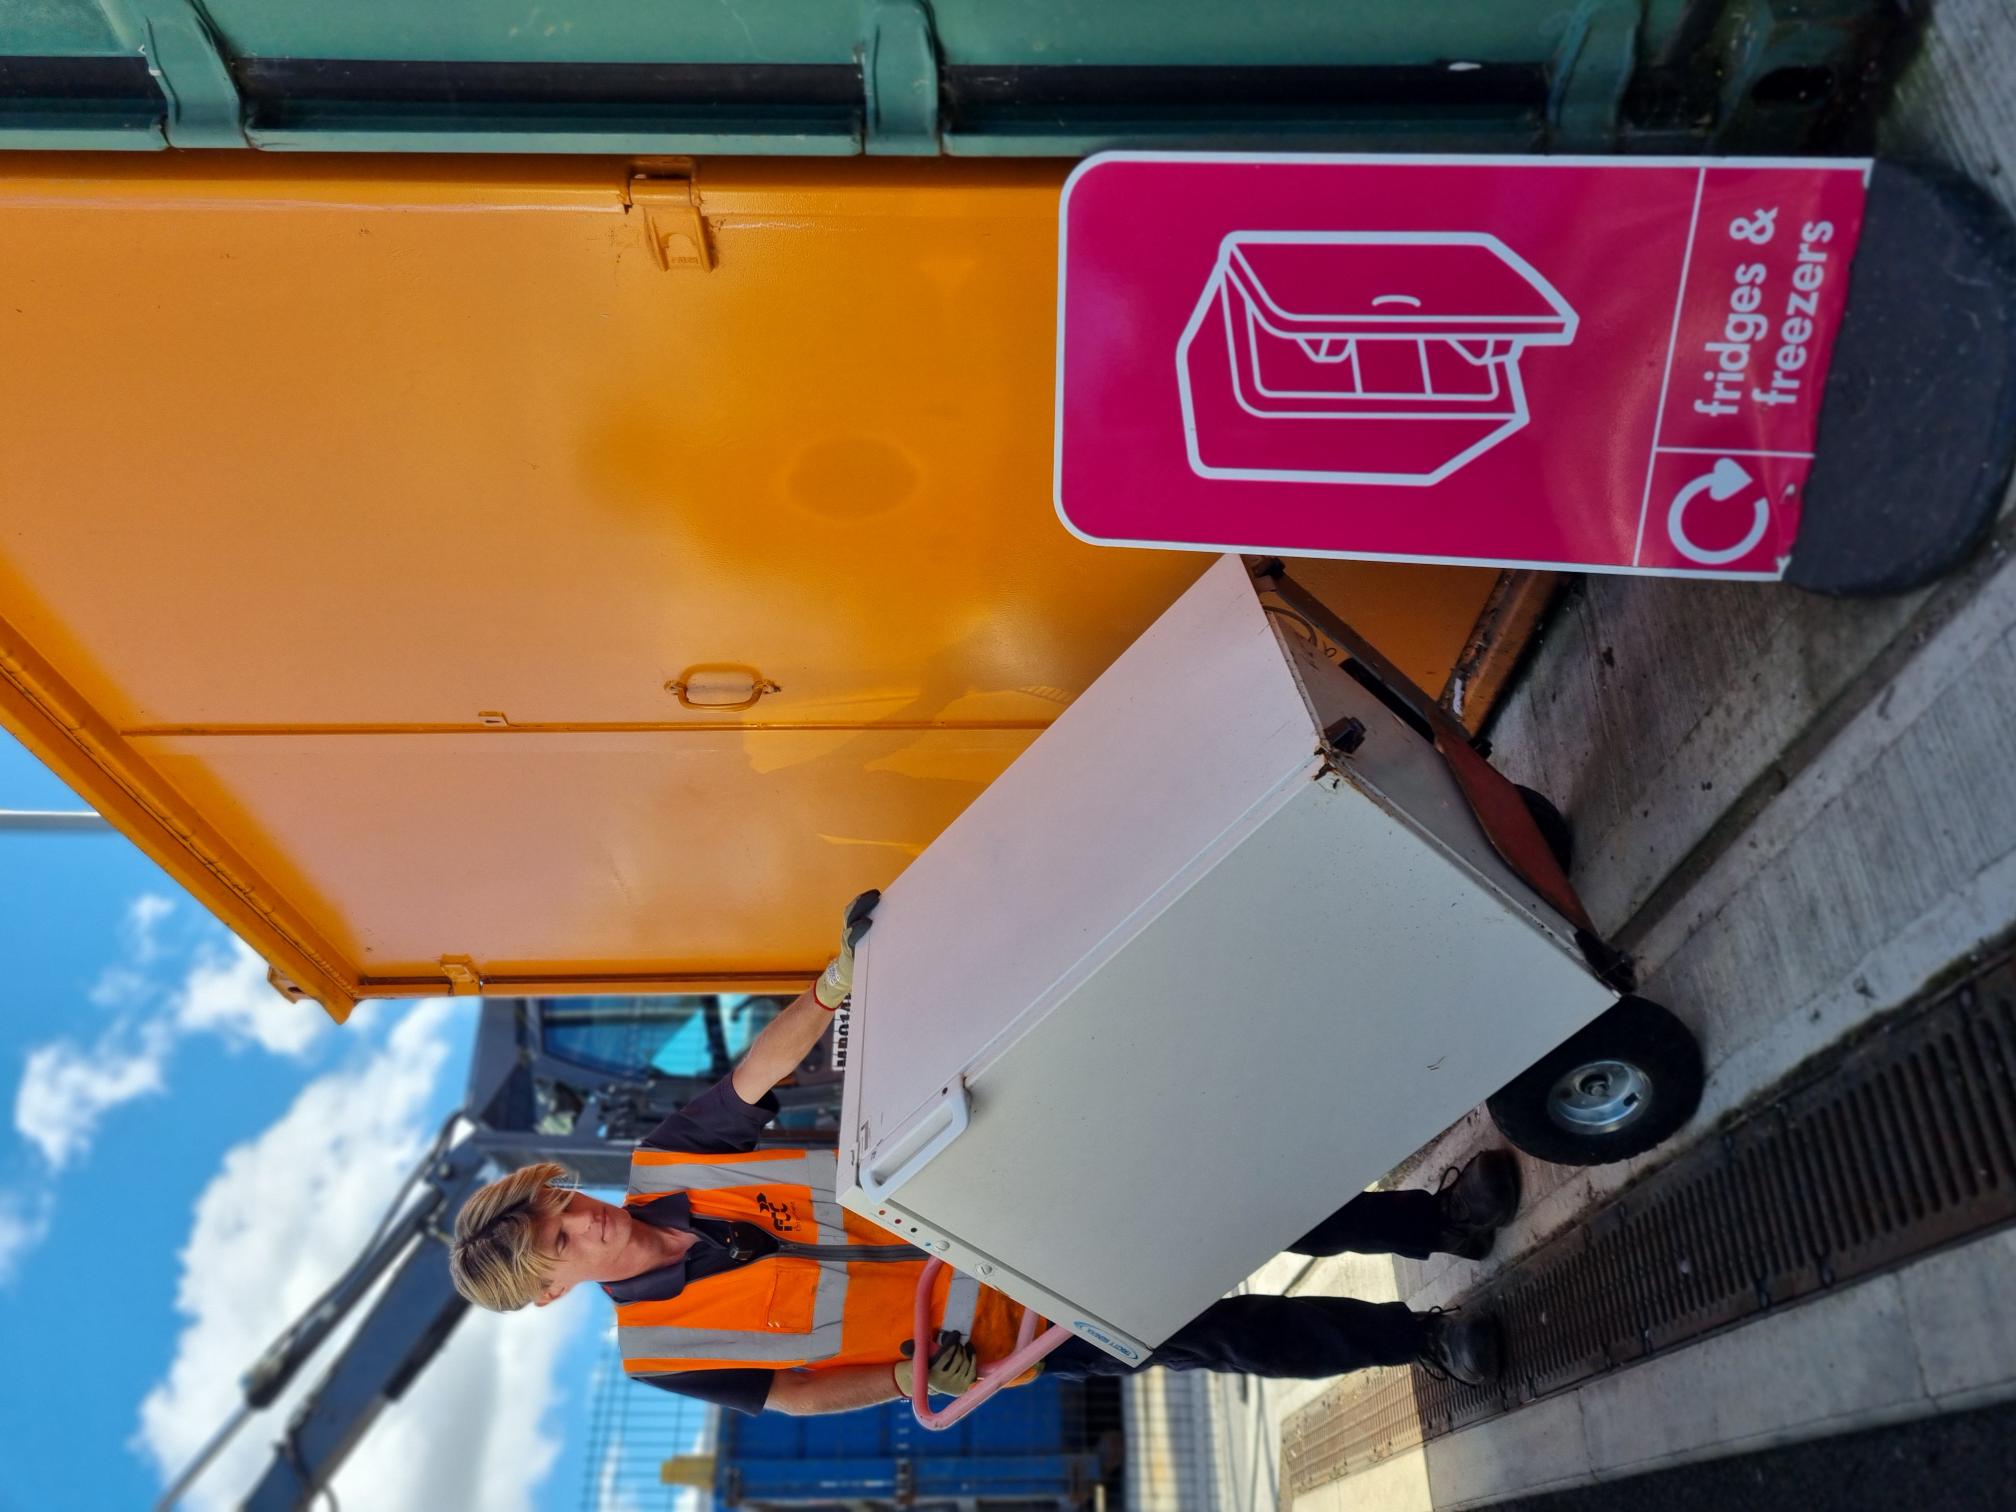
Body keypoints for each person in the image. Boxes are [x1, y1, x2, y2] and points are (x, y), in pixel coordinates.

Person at [447, 892, 1515, 1414]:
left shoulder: (671, 1161)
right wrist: (919, 1373)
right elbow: (794, 1395)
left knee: (1233, 1203)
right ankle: (1417, 1339)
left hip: (1006, 1206)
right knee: (1219, 1337)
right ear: (552, 1291)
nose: (583, 1224)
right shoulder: (661, 1358)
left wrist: (835, 985)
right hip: (1007, 1331)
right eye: (561, 1247)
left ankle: (1441, 1223)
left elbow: (753, 1080)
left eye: (560, 1210)